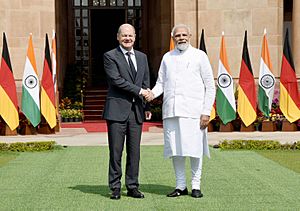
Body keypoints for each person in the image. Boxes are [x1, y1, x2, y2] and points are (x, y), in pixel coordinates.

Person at [144, 24, 215, 198]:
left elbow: (210, 86)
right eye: (178, 35)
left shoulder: (200, 56)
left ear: (190, 35)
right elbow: (161, 82)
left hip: (194, 112)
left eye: (184, 34)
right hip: (171, 111)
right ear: (172, 37)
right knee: (176, 150)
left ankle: (196, 185)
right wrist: (152, 94)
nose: (181, 37)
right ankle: (180, 186)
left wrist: (206, 111)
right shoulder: (167, 57)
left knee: (194, 149)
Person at [103, 23, 151, 200]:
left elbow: (146, 81)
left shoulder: (142, 57)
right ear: (118, 37)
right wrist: (140, 91)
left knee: (134, 152)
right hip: (117, 111)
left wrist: (146, 106)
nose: (127, 38)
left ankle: (132, 186)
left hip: (136, 111)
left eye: (130, 35)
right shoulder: (110, 56)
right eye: (124, 36)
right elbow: (116, 80)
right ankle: (115, 187)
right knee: (116, 151)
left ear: (135, 37)